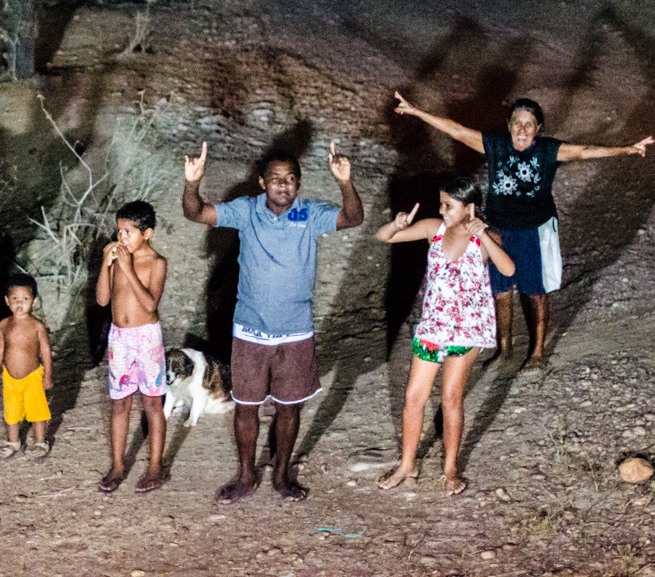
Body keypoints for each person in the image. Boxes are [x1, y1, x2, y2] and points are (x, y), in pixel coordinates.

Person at [394, 92, 653, 368]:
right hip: (496, 229)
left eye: (529, 124)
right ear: (508, 125)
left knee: (535, 291)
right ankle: (504, 348)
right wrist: (417, 112)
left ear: (538, 129)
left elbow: (583, 151)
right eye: (517, 123)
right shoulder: (495, 145)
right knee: (500, 291)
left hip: (533, 230)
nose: (522, 130)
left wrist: (626, 149)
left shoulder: (546, 150)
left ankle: (537, 351)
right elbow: (457, 131)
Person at [182, 141, 364, 504]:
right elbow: (197, 213)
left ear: (299, 184)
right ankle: (246, 475)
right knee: (246, 406)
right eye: (276, 178)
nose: (284, 185)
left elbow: (352, 218)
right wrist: (192, 183)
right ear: (262, 183)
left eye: (291, 179)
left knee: (289, 406)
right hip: (250, 329)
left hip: (296, 329)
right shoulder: (246, 211)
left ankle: (281, 475)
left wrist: (345, 182)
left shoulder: (310, 213)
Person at [375, 177, 515, 495]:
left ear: (469, 208)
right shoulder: (432, 228)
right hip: (433, 327)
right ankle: (407, 464)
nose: (442, 210)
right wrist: (396, 224)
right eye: (441, 204)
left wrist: (484, 235)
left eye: (448, 205)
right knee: (414, 397)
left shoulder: (485, 238)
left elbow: (507, 270)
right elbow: (384, 238)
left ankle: (450, 469)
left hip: (467, 330)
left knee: (451, 398)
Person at [95, 200, 169, 493]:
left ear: (147, 233)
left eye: (128, 232)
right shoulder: (116, 259)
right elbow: (102, 300)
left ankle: (155, 466)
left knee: (152, 403)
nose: (121, 238)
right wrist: (106, 264)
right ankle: (117, 464)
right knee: (120, 402)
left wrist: (126, 269)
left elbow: (150, 304)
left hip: (147, 338)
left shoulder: (156, 263)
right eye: (119, 231)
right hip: (120, 339)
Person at [0, 271, 54, 459]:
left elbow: (45, 352)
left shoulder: (37, 326)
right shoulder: (4, 324)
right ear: (7, 300)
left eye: (25, 298)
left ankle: (40, 441)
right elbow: (0, 349)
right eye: (15, 298)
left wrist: (48, 375)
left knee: (37, 411)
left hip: (33, 376)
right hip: (10, 377)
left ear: (34, 301)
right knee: (11, 412)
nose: (20, 303)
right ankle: (13, 442)